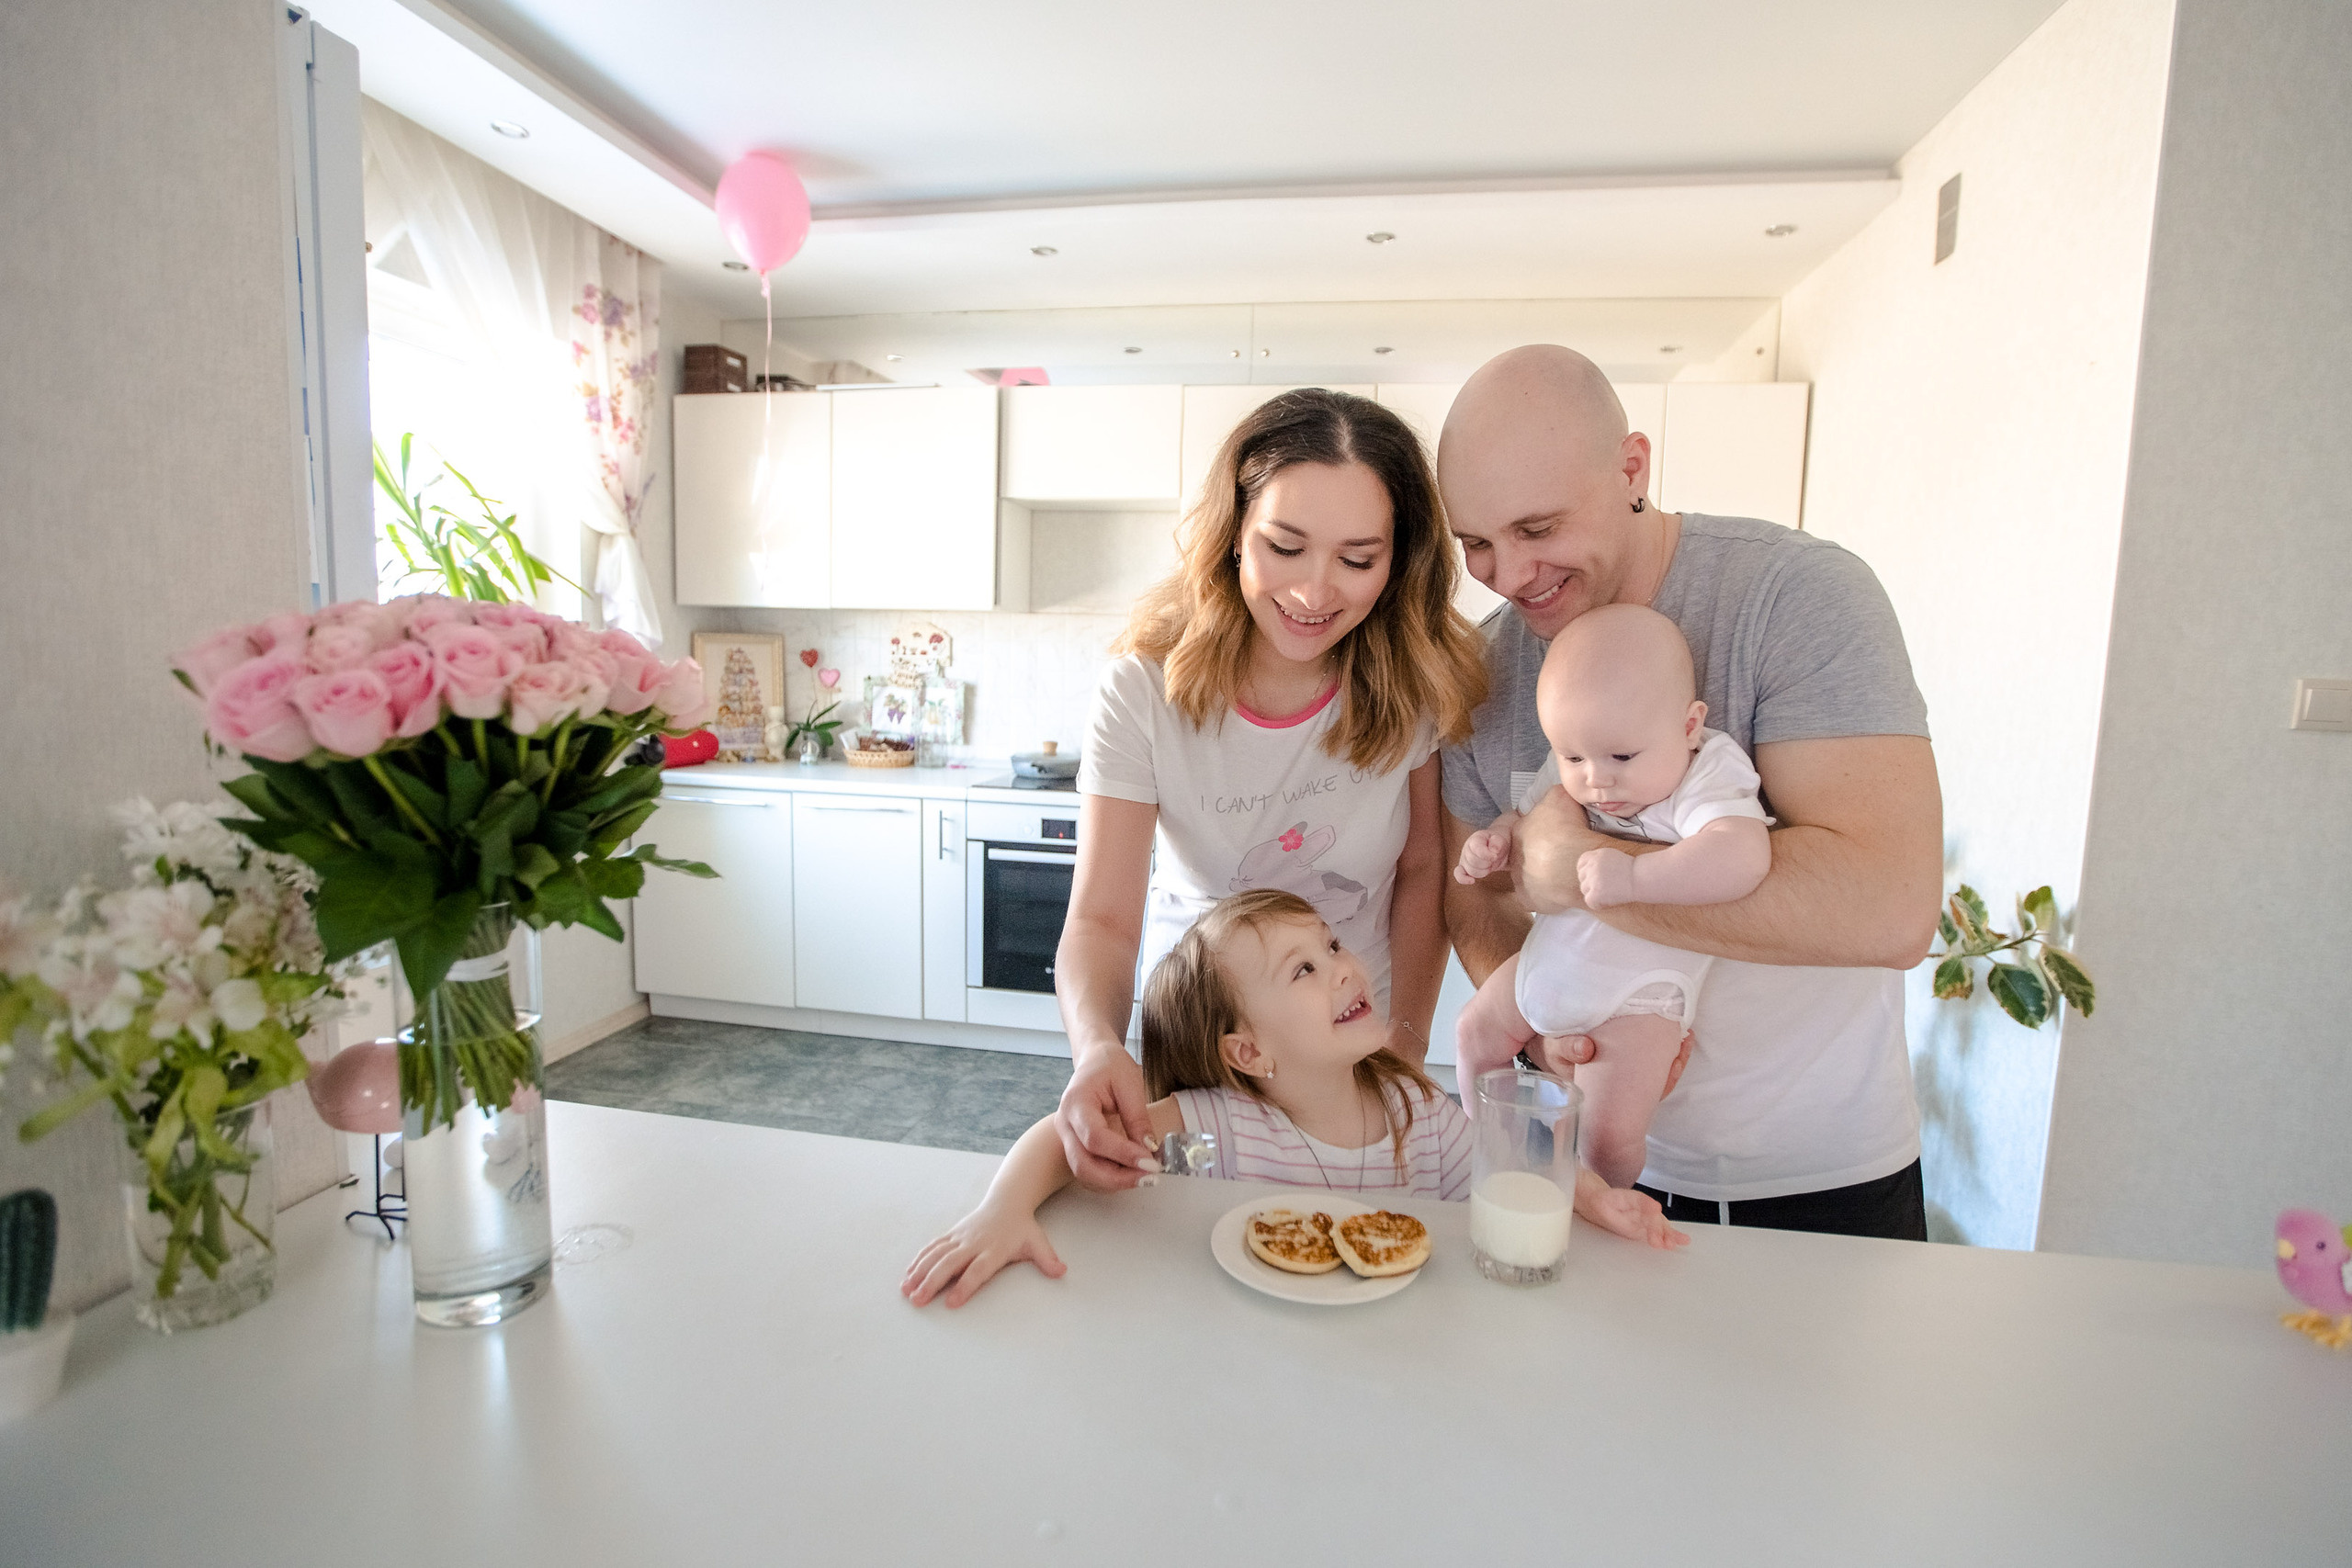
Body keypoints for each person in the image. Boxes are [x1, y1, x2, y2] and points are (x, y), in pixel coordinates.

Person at [1440, 345, 1943, 1240]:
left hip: (1819, 1186)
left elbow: (1889, 905)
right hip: (1585, 1175)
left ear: (1632, 468)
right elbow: (1470, 900)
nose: (1509, 576)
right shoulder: (1488, 666)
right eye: (1475, 543)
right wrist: (1546, 1030)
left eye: (1537, 528)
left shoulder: (1795, 599)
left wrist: (1581, 868)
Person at [1049, 389, 1490, 1191]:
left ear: (1400, 561)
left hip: (1359, 1052)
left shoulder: (1412, 681)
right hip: (1206, 1054)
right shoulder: (1145, 689)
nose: (1317, 591)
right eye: (1286, 547)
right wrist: (1098, 1049)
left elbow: (1424, 868)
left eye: (1358, 560)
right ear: (1233, 535)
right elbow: (1103, 918)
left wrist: (1406, 1036)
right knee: (1195, 1255)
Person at [904, 892, 1685, 1308]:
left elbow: (1508, 1170)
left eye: (1333, 946)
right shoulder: (1221, 1133)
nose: (1344, 968)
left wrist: (1593, 1197)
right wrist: (1003, 1209)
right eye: (1304, 970)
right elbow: (1074, 1138)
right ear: (1248, 1053)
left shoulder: (1417, 1118)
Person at [1452, 603, 1771, 1189]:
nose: (1596, 780)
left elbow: (1743, 855)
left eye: (1622, 757)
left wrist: (1634, 879)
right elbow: (1524, 818)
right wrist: (1494, 843)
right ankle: (1485, 1159)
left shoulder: (1705, 771)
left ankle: (1609, 1207)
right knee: (1473, 1032)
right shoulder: (1584, 755)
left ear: (1688, 725)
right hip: (1548, 964)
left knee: (1606, 1136)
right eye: (1573, 758)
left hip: (1638, 999)